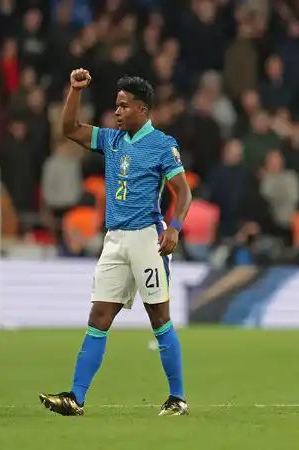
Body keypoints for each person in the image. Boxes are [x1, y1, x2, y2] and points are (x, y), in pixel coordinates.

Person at [39, 69, 192, 416]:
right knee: (99, 315)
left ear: (142, 109)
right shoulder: (111, 139)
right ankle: (75, 398)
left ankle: (178, 397)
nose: (117, 112)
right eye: (115, 106)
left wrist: (176, 227)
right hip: (114, 240)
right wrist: (74, 90)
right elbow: (68, 129)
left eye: (123, 106)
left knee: (159, 318)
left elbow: (182, 190)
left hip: (145, 240)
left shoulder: (162, 145)